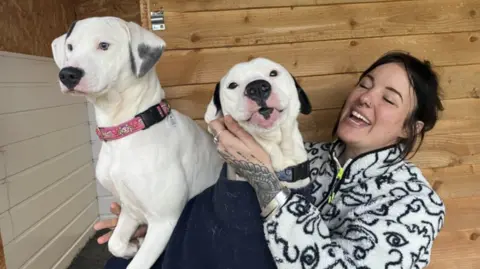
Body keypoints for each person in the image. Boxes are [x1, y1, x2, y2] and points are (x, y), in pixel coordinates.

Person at [95, 51, 446, 269]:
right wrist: (161, 221)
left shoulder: (415, 203)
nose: (366, 98)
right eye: (365, 84)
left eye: (389, 98)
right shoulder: (308, 156)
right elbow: (225, 224)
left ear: (408, 128)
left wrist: (268, 185)